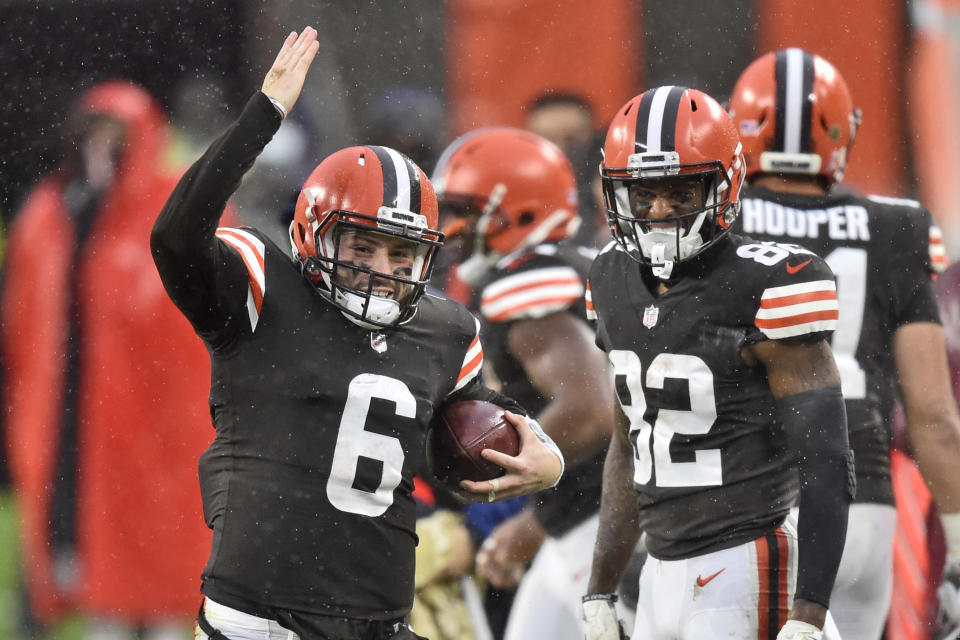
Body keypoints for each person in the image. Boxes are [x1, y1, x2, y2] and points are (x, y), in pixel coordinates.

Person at [149, 27, 565, 640]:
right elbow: (177, 237)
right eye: (362, 246)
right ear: (314, 235)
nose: (381, 268)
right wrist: (260, 120)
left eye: (401, 253)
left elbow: (486, 421)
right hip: (264, 618)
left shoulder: (445, 330)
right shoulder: (264, 289)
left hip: (381, 618)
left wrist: (547, 457)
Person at [581, 86, 853, 640]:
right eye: (642, 194)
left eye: (680, 194)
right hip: (660, 572)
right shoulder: (609, 277)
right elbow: (629, 445)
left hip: (747, 561)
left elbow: (825, 459)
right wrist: (600, 587)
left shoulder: (769, 284)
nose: (657, 212)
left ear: (724, 185)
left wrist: (810, 612)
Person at [727, 48, 960, 640]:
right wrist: (957, 551)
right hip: (865, 505)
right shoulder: (897, 227)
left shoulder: (722, 226)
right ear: (840, 134)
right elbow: (935, 418)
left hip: (754, 501)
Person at [0, 81, 214, 638]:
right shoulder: (55, 214)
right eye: (92, 137)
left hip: (166, 433)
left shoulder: (176, 211)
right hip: (80, 426)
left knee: (168, 584)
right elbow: (28, 325)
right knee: (97, 585)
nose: (103, 153)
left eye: (115, 138)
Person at [431, 127, 615, 640]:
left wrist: (519, 494)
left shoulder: (529, 284)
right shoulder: (570, 266)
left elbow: (591, 411)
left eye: (462, 209)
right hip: (594, 514)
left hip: (601, 519)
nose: (450, 229)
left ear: (519, 210)